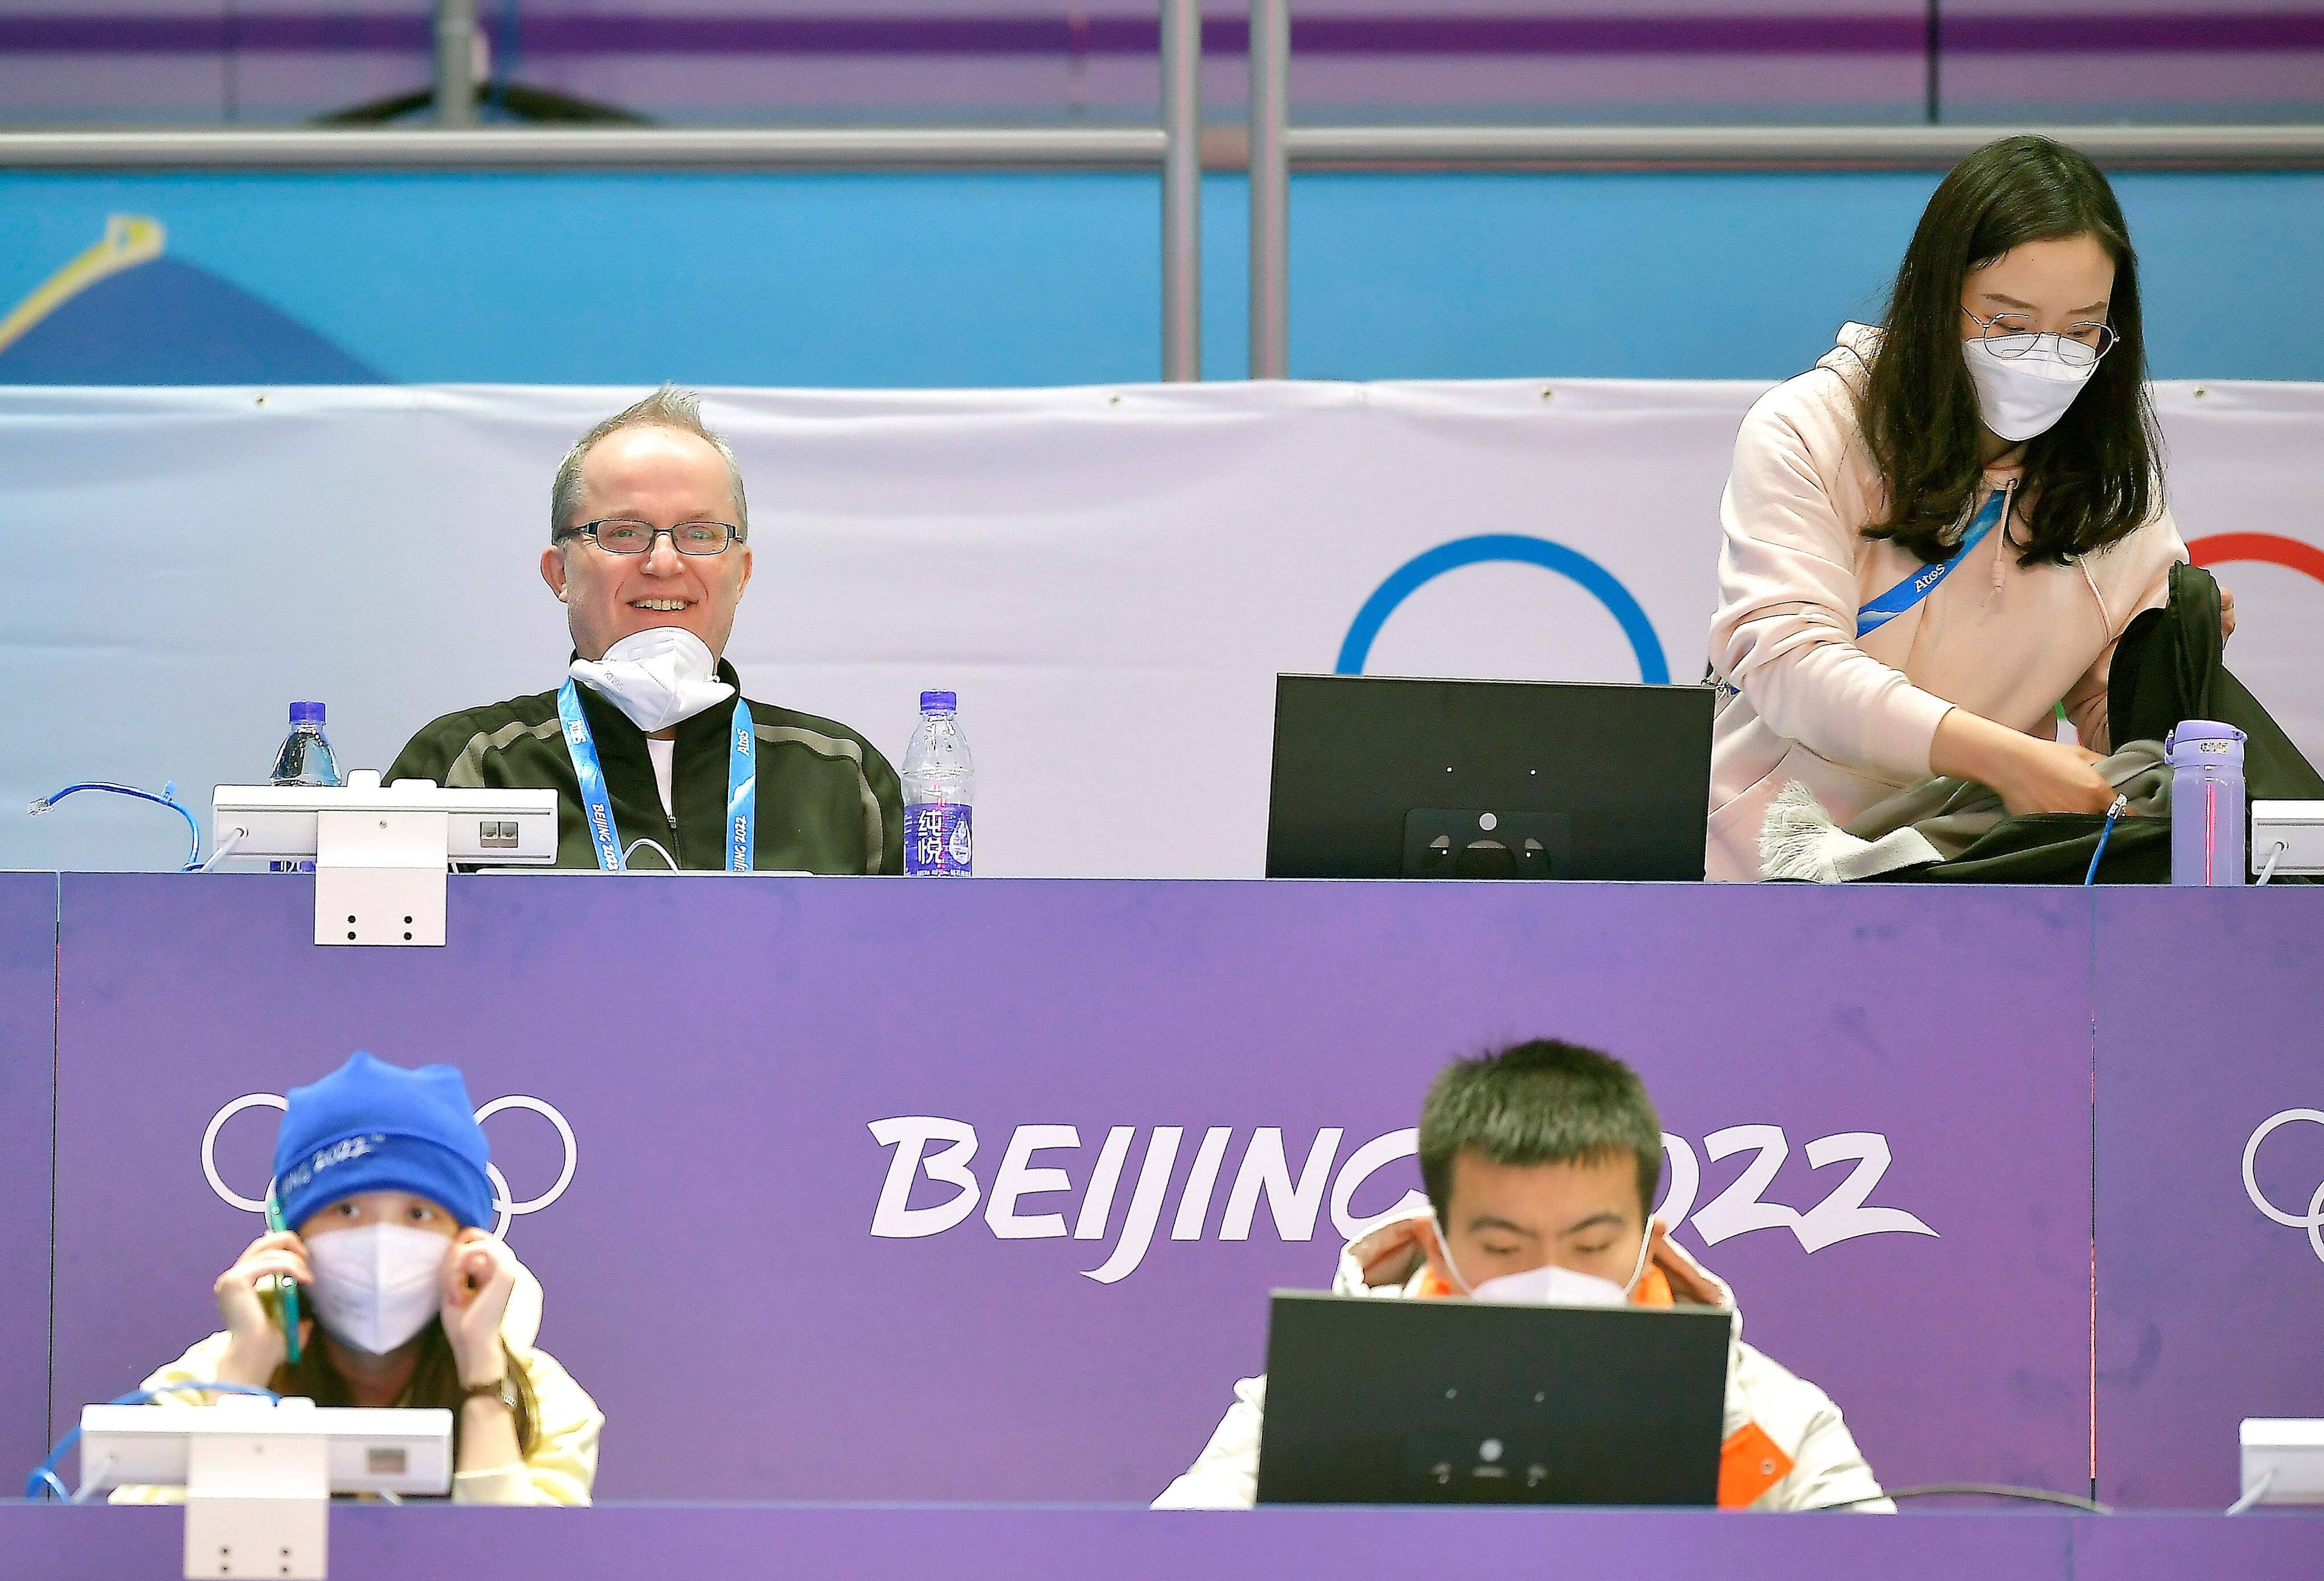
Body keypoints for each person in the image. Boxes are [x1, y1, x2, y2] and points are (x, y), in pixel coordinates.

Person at [1705, 135, 2232, 882]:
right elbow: (1791, 664)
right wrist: (2006, 758)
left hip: (1976, 873)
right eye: (2009, 325)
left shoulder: (2113, 486)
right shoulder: (1808, 430)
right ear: (1935, 299)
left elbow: (2119, 732)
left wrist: (2173, 651)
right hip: (1771, 867)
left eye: (2082, 329)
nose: (2047, 356)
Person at [1154, 1040, 1890, 1512]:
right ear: (1436, 1241)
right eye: (1505, 1246)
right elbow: (1169, 1555)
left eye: (1591, 1243)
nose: (1550, 1275)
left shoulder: (1775, 1417)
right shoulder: (1302, 1406)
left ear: (1648, 1242)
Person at [388, 385, 905, 873]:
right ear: (560, 573)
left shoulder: (842, 779)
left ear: (741, 574)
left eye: (699, 534)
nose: (663, 562)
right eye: (623, 533)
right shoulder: (471, 769)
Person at [117, 1052, 600, 1505]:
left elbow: (518, 1557)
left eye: (418, 1214)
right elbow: (154, 1552)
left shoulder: (544, 1402)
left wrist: (483, 1383)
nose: (380, 1243)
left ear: (468, 1244)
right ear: (290, 1236)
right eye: (346, 1210)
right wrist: (239, 1386)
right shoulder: (200, 1386)